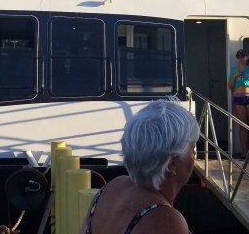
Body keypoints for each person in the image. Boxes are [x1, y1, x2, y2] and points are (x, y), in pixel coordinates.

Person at [80, 99, 197, 234]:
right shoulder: (165, 220)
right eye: (192, 148)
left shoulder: (111, 188)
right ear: (172, 163)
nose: (194, 155)